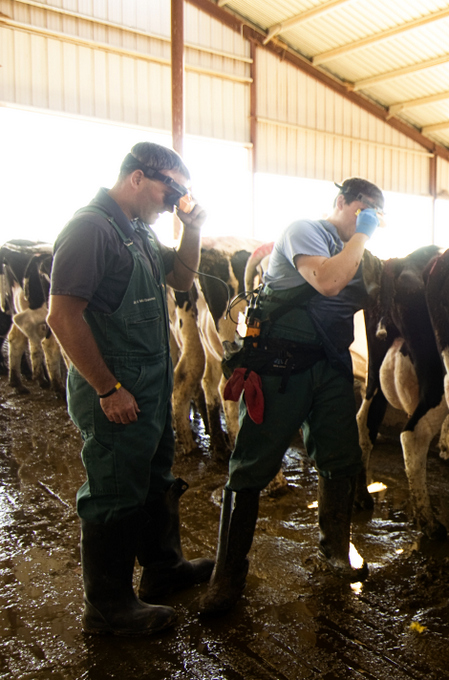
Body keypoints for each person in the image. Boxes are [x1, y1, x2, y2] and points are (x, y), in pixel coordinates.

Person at [47, 142, 212, 636]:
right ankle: (107, 607)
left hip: (151, 390)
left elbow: (182, 277)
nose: (173, 202)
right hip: (117, 394)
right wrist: (106, 388)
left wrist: (194, 229)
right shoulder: (91, 229)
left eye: (182, 194)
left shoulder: (136, 231)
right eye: (171, 190)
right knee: (114, 493)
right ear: (137, 178)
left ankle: (164, 569)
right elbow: (61, 315)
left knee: (155, 481)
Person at [199, 178, 382, 616]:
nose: (369, 217)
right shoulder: (305, 230)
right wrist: (363, 233)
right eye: (362, 207)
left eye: (376, 213)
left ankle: (335, 549)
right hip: (281, 368)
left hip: (331, 369)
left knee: (341, 456)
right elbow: (328, 280)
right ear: (340, 202)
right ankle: (227, 578)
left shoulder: (359, 251)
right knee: (251, 466)